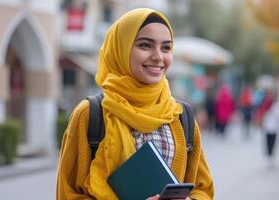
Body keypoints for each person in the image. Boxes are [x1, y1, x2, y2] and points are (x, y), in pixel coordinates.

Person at [56, 8, 214, 200]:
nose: (158, 57)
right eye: (145, 45)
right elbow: (67, 193)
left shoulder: (181, 116)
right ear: (121, 48)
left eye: (166, 48)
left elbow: (203, 189)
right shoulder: (91, 114)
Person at [262, 91, 279, 168]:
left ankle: (269, 157)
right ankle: (270, 158)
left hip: (268, 127)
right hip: (273, 127)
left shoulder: (266, 104)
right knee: (271, 143)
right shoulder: (276, 105)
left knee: (268, 143)